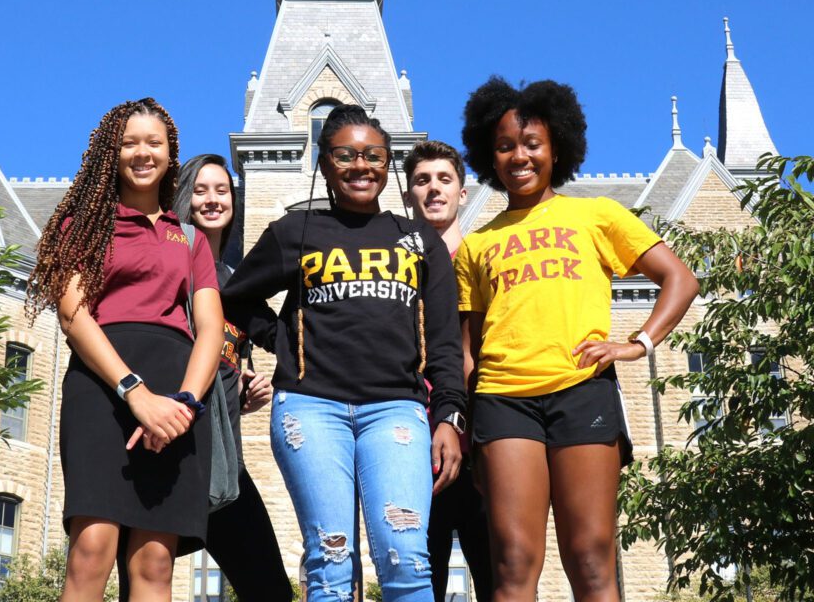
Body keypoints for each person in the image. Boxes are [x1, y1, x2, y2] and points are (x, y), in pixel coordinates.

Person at [456, 77, 699, 601]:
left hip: (581, 390)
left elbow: (680, 278)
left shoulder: (597, 215)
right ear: (487, 155)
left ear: (556, 147)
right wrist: (463, 423)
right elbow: (467, 349)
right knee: (514, 562)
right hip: (502, 402)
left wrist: (639, 343)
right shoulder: (477, 244)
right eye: (504, 146)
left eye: (531, 143)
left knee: (590, 558)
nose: (518, 156)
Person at [220, 104, 468, 602]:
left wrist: (450, 418)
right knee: (329, 559)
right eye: (346, 155)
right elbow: (235, 299)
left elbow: (443, 341)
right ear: (325, 162)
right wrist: (281, 338)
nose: (361, 165)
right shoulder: (294, 233)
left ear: (388, 162)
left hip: (396, 411)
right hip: (311, 410)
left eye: (373, 155)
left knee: (407, 558)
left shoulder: (418, 241)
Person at [26, 98, 223, 602]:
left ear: (169, 152)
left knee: (155, 563)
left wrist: (184, 405)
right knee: (92, 549)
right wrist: (134, 392)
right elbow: (73, 315)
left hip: (177, 401)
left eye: (152, 142)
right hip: (101, 388)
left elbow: (209, 329)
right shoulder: (82, 227)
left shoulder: (191, 239)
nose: (142, 152)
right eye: (129, 142)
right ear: (110, 153)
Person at [172, 154, 291, 601]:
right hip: (171, 451)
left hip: (225, 462)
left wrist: (247, 391)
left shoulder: (236, 284)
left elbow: (277, 343)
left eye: (222, 190)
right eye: (200, 190)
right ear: (185, 198)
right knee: (146, 575)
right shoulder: (169, 267)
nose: (212, 199)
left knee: (270, 589)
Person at [402, 140, 492, 602]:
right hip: (414, 441)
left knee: (501, 574)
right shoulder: (396, 270)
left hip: (483, 440)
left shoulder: (484, 259)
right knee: (420, 577)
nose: (434, 189)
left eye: (444, 179)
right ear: (406, 195)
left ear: (462, 192)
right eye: (421, 180)